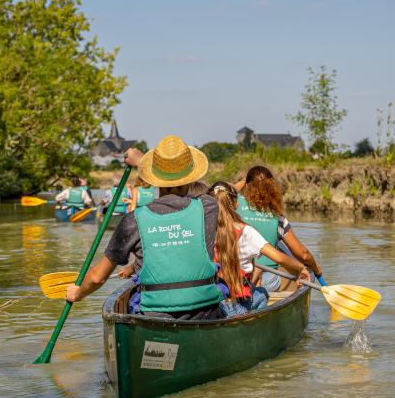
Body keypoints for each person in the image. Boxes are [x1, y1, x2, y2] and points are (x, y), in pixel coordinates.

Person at [66, 135, 224, 320]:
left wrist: (77, 294)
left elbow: (97, 278)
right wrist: (141, 161)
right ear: (190, 177)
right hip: (205, 313)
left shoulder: (133, 220)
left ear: (154, 179)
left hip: (154, 316)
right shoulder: (209, 207)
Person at [208, 181, 310, 317]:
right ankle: (253, 318)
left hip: (212, 306)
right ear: (236, 204)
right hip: (237, 306)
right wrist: (301, 268)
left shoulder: (203, 230)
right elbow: (279, 258)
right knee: (262, 293)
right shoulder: (246, 232)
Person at [235, 166, 322, 292]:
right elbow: (303, 254)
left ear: (247, 187)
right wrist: (316, 269)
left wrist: (246, 181)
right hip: (268, 280)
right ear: (272, 189)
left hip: (237, 276)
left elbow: (224, 187)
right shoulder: (278, 219)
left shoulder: (235, 204)